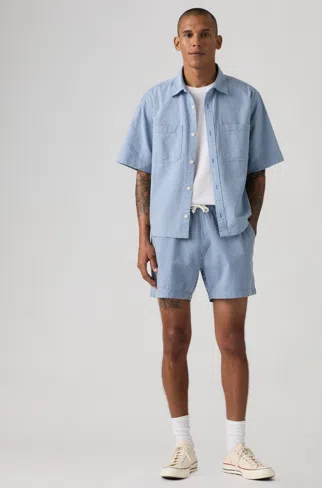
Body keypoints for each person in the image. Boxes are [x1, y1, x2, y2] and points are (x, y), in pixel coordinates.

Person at [116, 7, 284, 480]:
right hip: (171, 234)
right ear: (177, 43)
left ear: (218, 41)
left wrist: (249, 231)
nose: (196, 41)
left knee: (233, 339)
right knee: (174, 338)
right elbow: (144, 174)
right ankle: (183, 445)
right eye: (188, 34)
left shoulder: (246, 98)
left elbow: (258, 171)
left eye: (205, 33)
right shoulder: (155, 101)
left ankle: (236, 448)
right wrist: (143, 238)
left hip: (229, 232)